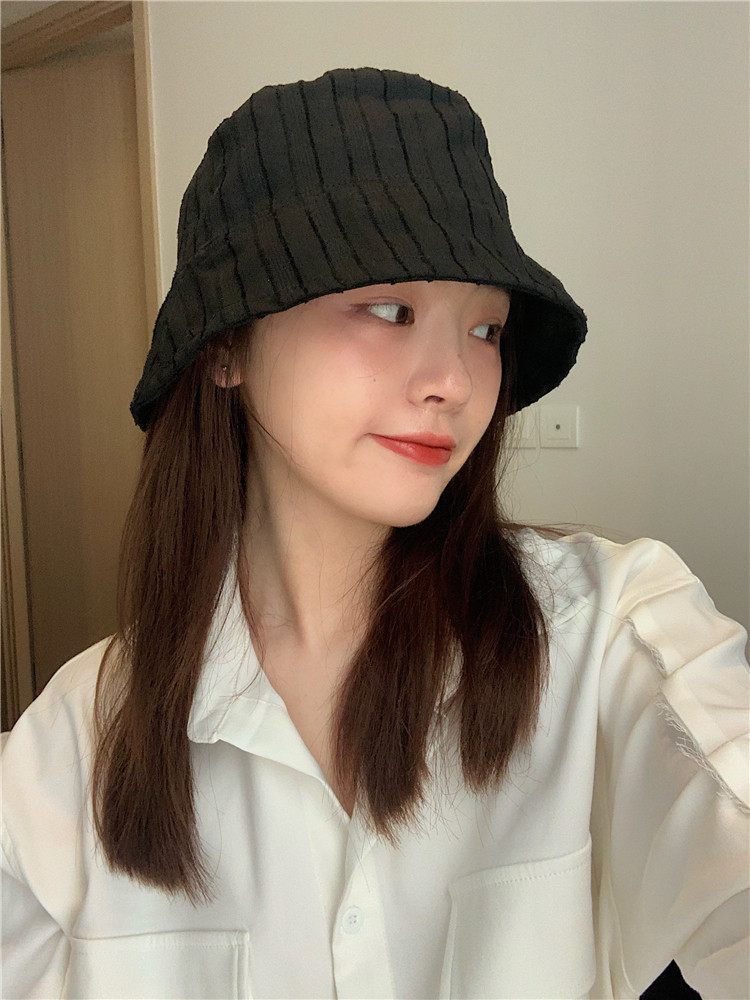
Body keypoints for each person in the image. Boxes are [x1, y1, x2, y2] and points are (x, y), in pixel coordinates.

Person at [2, 67, 747, 1000]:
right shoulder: (77, 742)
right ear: (226, 346)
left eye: (486, 330)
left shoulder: (603, 635)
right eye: (390, 310)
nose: (455, 382)